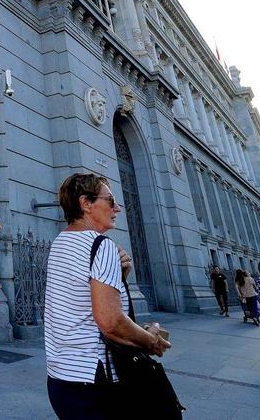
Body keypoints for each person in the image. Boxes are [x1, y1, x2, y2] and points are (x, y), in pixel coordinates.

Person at [44, 174, 171, 419]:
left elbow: (78, 303)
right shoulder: (101, 246)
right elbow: (110, 322)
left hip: (61, 378)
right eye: (110, 200)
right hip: (96, 381)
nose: (117, 208)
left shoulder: (60, 243)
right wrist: (149, 340)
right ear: (86, 204)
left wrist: (118, 275)